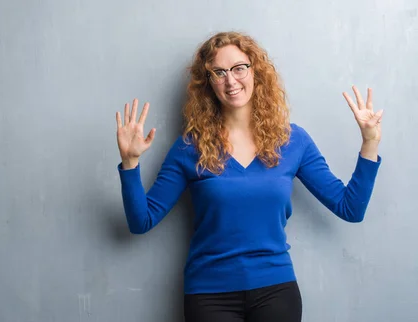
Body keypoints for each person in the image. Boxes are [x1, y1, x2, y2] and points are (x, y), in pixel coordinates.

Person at [114, 31, 382, 322]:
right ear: (208, 83)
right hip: (209, 296)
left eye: (239, 68)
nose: (231, 81)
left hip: (276, 292)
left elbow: (350, 208)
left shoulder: (294, 141)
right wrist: (130, 163)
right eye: (219, 72)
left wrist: (369, 142)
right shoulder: (188, 148)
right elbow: (142, 221)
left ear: (256, 72)